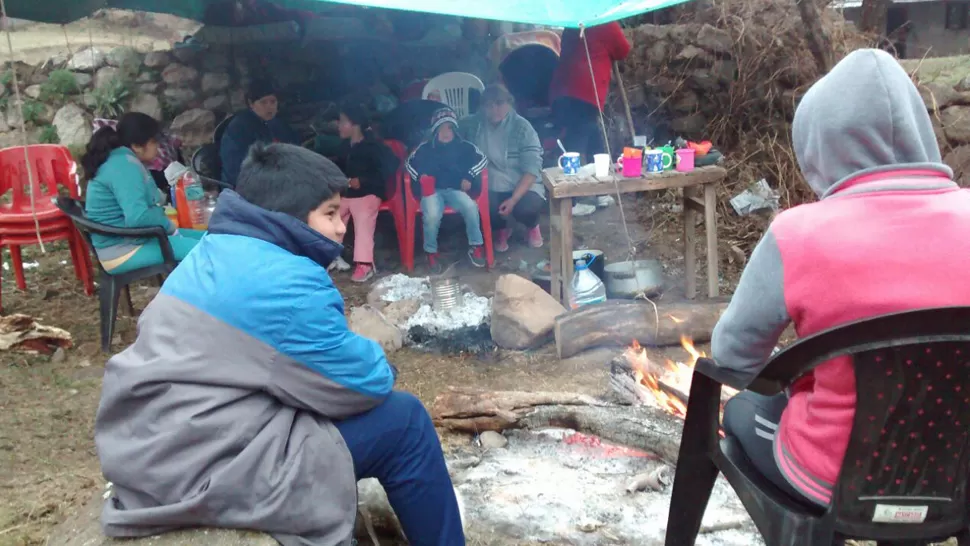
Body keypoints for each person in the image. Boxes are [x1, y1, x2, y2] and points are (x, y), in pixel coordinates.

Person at [94, 142, 466, 546]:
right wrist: (382, 363)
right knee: (405, 420)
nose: (342, 226)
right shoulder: (289, 283)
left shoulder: (213, 250)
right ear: (289, 217)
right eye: (329, 214)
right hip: (204, 467)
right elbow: (365, 384)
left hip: (148, 447)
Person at [712, 49, 970, 507]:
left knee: (742, 412)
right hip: (958, 475)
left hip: (832, 483)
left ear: (817, 146)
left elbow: (733, 358)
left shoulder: (797, 233)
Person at [82, 112, 204, 275]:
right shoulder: (125, 166)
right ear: (137, 146)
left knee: (209, 238)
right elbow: (138, 217)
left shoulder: (120, 159)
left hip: (129, 241)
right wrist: (168, 226)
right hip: (122, 251)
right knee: (207, 251)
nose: (158, 148)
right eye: (154, 142)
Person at [461, 84, 544, 252]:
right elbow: (448, 131)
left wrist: (513, 199)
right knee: (484, 205)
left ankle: (532, 225)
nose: (494, 109)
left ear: (509, 103)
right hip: (490, 184)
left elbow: (532, 169)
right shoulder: (472, 124)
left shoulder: (522, 128)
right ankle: (501, 228)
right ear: (482, 107)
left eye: (499, 103)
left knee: (528, 207)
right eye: (489, 105)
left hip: (520, 183)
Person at [405, 108, 488, 273]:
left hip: (455, 189)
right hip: (432, 191)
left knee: (471, 207)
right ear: (435, 130)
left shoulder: (465, 147)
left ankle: (476, 246)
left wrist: (469, 176)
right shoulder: (425, 148)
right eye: (441, 128)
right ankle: (431, 252)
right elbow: (409, 164)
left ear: (455, 129)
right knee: (433, 214)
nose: (446, 132)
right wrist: (421, 177)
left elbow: (482, 160)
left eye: (449, 127)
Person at [331, 101, 400, 282]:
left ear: (355, 124)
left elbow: (391, 166)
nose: (338, 125)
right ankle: (330, 255)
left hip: (369, 194)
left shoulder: (374, 146)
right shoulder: (344, 147)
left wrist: (363, 181)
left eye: (342, 121)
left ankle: (365, 264)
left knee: (362, 219)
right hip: (348, 194)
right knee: (331, 215)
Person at [548, 23, 630, 163]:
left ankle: (600, 169)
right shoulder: (606, 23)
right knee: (577, 140)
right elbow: (623, 50)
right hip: (585, 91)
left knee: (587, 132)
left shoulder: (572, 22)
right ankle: (574, 178)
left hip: (562, 89)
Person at [219, 79, 300, 187]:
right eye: (263, 102)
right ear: (251, 104)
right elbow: (234, 168)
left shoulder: (279, 125)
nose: (269, 107)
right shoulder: (239, 128)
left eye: (273, 102)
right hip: (248, 185)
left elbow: (296, 152)